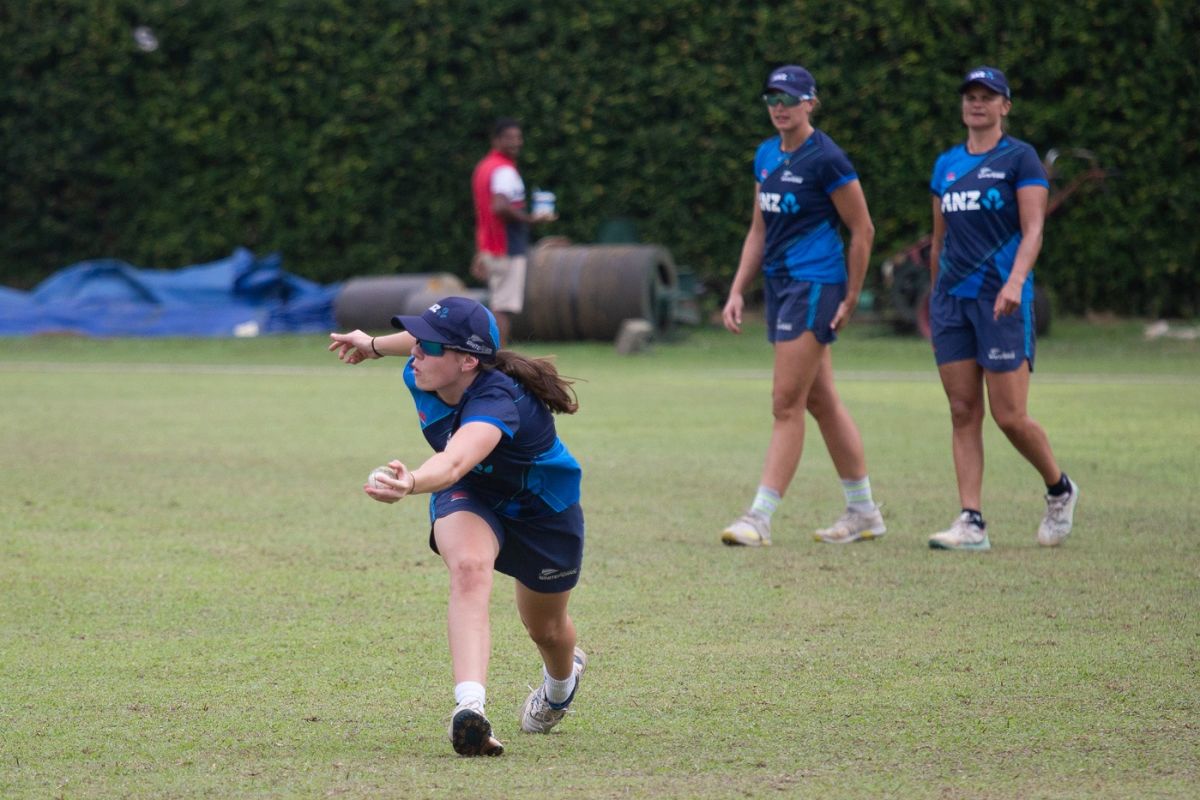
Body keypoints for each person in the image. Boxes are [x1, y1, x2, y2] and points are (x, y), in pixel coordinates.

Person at [327, 296, 587, 756]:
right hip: (473, 493)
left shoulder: (498, 400)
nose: (415, 354)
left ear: (468, 361)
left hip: (542, 511)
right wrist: (370, 344)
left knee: (546, 631)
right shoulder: (425, 367)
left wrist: (411, 482)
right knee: (468, 569)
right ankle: (471, 708)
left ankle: (560, 687)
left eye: (428, 346)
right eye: (417, 342)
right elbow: (417, 342)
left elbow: (452, 462)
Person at [720, 65, 884, 547]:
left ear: (811, 102)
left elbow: (863, 230)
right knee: (820, 400)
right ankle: (864, 511)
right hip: (781, 285)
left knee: (785, 402)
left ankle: (760, 516)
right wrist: (736, 289)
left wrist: (852, 295)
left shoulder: (827, 158)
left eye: (790, 98)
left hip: (817, 283)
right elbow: (759, 229)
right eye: (773, 97)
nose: (780, 106)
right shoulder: (766, 155)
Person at [926, 66, 1080, 551]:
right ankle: (971, 521)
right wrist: (936, 296)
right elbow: (938, 239)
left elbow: (1034, 229)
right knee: (961, 409)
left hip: (1003, 300)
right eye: (970, 96)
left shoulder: (1020, 158)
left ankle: (1059, 489)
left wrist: (1015, 281)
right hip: (953, 301)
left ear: (1004, 106)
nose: (977, 103)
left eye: (987, 97)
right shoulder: (946, 165)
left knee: (1009, 416)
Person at [470, 118, 555, 345]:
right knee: (503, 308)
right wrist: (530, 219)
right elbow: (499, 206)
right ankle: (497, 359)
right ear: (496, 140)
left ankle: (492, 357)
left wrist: (480, 250)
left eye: (518, 137)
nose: (516, 142)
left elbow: (483, 213)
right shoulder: (504, 170)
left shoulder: (484, 167)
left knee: (498, 303)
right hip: (505, 247)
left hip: (491, 245)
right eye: (509, 138)